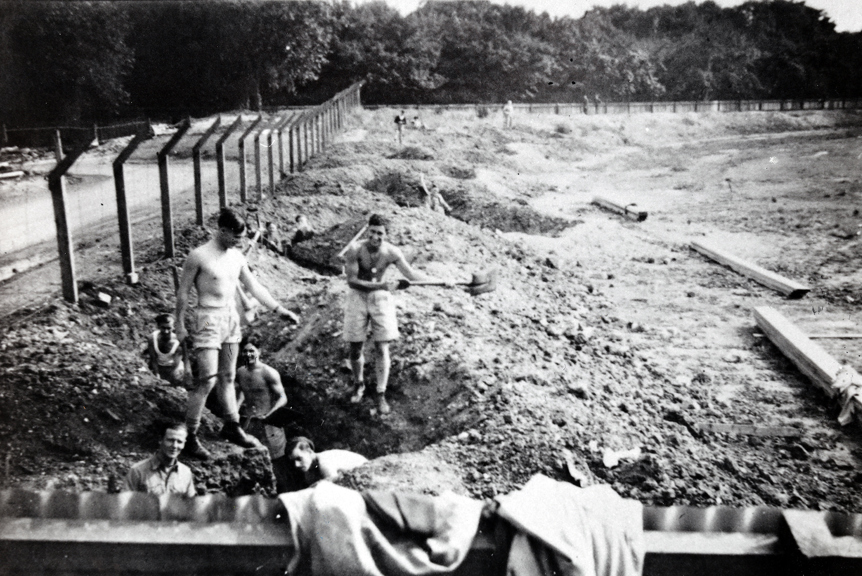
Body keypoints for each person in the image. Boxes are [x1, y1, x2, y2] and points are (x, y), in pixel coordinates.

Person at [175, 207, 300, 459]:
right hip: (208, 320)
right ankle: (190, 435)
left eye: (242, 238)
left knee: (229, 376)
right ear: (222, 231)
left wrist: (279, 309)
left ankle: (231, 426)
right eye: (235, 237)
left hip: (231, 321)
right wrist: (179, 323)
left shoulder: (237, 257)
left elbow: (254, 286)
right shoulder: (199, 256)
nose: (239, 242)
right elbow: (183, 293)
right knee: (207, 380)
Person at [342, 213, 447, 414]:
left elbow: (412, 275)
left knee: (382, 347)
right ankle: (359, 383)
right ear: (367, 230)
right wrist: (383, 284)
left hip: (380, 299)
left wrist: (442, 281)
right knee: (355, 347)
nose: (376, 237)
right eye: (372, 232)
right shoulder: (355, 249)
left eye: (380, 233)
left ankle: (380, 393)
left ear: (385, 234)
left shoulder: (391, 252)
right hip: (358, 297)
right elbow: (352, 280)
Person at [235, 338, 291, 493]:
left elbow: (282, 397)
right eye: (245, 351)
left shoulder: (269, 372)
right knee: (252, 460)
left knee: (277, 462)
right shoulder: (240, 372)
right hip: (250, 424)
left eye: (252, 350)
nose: (248, 354)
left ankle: (283, 495)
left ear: (259, 352)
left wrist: (270, 414)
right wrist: (236, 409)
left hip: (269, 424)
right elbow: (241, 392)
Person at [122, 421, 197, 497]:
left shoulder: (185, 473)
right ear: (160, 440)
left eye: (179, 442)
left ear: (184, 444)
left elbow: (190, 506)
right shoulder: (138, 471)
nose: (174, 446)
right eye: (170, 440)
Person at [286, 436, 367, 487]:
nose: (296, 465)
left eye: (299, 459)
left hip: (367, 473)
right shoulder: (309, 472)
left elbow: (333, 484)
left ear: (309, 451)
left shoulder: (323, 462)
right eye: (293, 461)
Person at [147, 313, 185, 386]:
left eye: (169, 328)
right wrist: (157, 375)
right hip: (159, 365)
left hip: (173, 367)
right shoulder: (152, 338)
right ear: (158, 326)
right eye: (163, 328)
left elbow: (175, 365)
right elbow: (153, 358)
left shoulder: (177, 341)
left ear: (173, 327)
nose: (166, 331)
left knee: (175, 379)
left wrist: (168, 381)